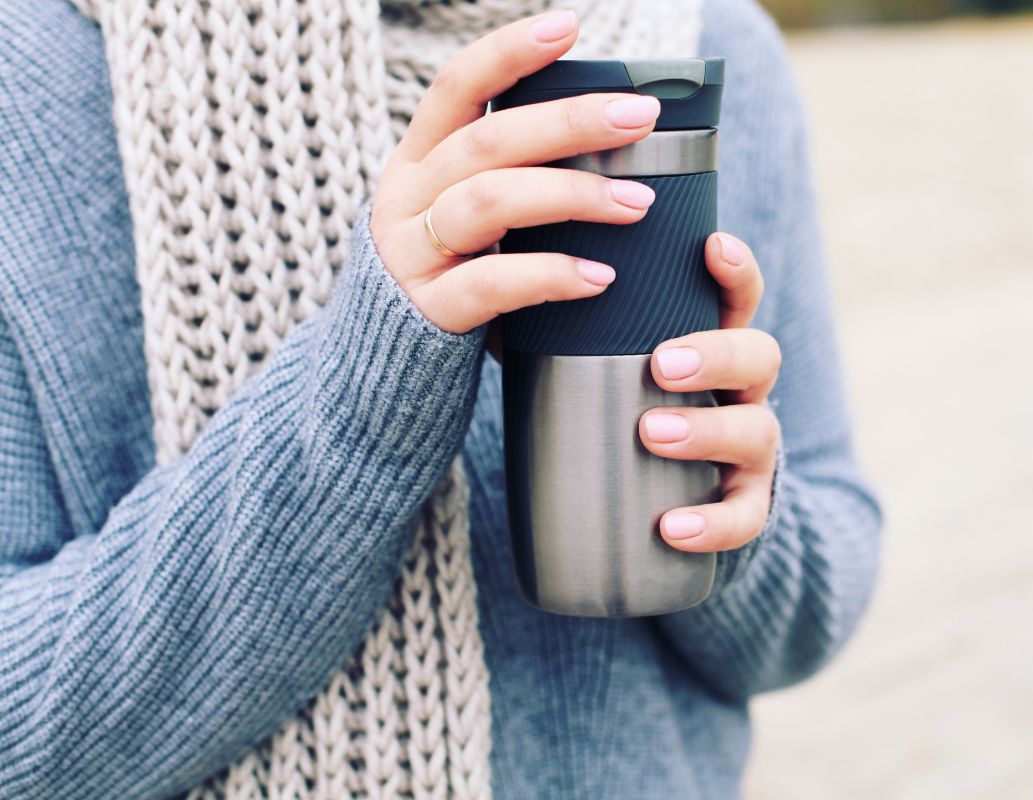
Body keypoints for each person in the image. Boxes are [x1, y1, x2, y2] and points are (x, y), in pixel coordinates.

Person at [0, 0, 881, 797]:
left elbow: (816, 608)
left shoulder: (705, 43)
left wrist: (722, 510)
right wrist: (364, 400)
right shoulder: (30, 63)